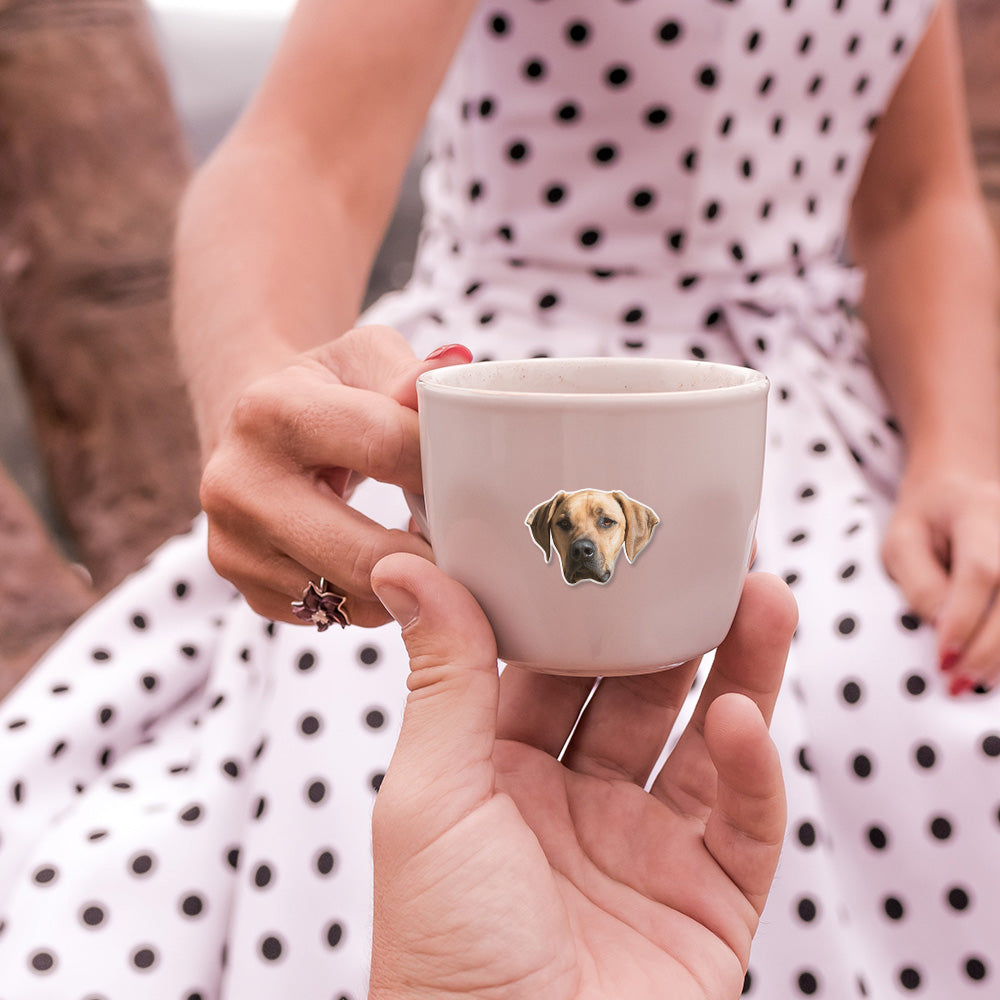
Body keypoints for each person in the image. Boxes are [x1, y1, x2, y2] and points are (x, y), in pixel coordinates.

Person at [0, 0, 998, 998]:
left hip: (804, 419)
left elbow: (918, 203)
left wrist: (959, 458)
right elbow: (303, 157)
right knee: (399, 727)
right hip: (502, 412)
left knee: (910, 691)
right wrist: (266, 409)